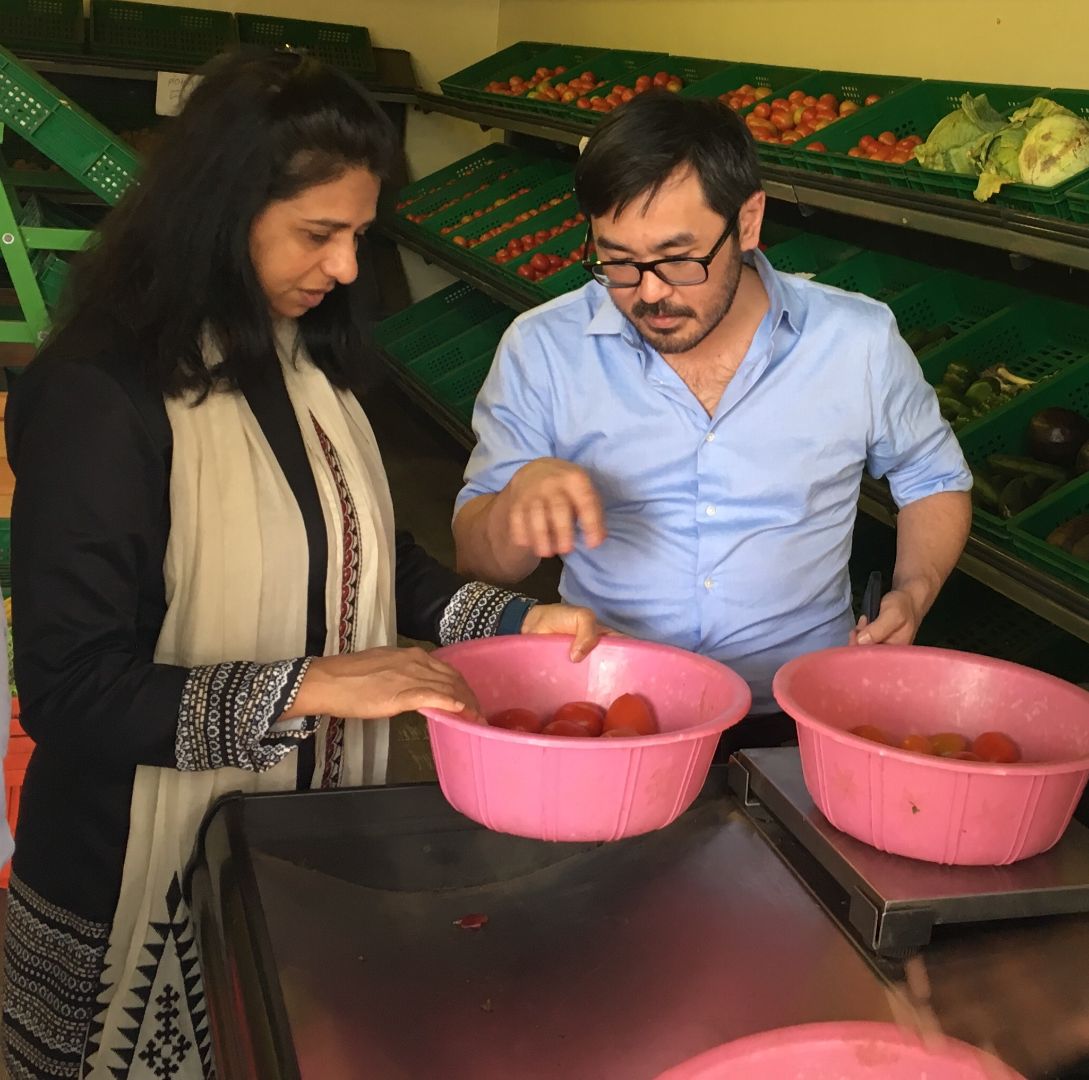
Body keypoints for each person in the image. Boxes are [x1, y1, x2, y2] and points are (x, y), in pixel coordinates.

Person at [1, 50, 606, 1080]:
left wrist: (515, 625)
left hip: (279, 849)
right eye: (318, 235)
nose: (343, 270)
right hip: (125, 882)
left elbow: (376, 561)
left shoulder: (301, 367)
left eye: (358, 237)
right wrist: (313, 684)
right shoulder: (100, 398)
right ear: (216, 214)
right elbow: (67, 691)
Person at [453, 91, 973, 746]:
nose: (648, 292)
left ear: (748, 221)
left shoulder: (856, 340)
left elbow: (930, 478)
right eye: (616, 260)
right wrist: (514, 506)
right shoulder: (542, 349)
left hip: (797, 711)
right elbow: (478, 556)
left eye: (677, 257)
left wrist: (913, 590)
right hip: (611, 708)